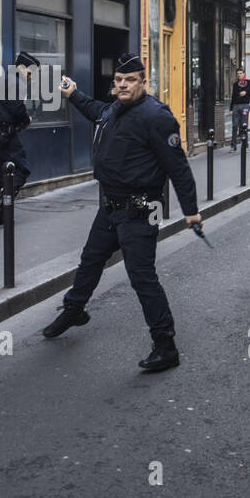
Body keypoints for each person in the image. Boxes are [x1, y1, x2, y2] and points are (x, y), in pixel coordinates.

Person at [45, 53, 202, 372]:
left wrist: (191, 211)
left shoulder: (157, 117)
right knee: (90, 259)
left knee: (142, 276)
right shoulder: (114, 109)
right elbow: (95, 111)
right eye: (118, 80)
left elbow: (179, 168)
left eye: (129, 80)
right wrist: (73, 93)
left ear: (143, 82)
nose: (122, 85)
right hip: (110, 207)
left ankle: (166, 345)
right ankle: (75, 309)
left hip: (141, 210)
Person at [0, 51, 38, 226]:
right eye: (30, 73)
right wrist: (26, 119)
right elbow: (17, 110)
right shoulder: (16, 83)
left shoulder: (1, 80)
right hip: (5, 133)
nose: (30, 77)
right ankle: (2, 206)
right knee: (22, 169)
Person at [229, 67, 250, 151]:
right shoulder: (235, 84)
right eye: (237, 74)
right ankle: (233, 146)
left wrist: (246, 92)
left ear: (244, 74)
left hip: (245, 106)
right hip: (236, 106)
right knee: (234, 126)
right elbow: (233, 97)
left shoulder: (248, 82)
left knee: (243, 126)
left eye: (240, 73)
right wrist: (231, 109)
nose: (239, 75)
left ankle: (245, 145)